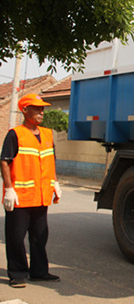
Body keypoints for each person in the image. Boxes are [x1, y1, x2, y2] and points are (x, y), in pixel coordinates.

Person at [1, 93, 62, 288]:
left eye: (42, 108)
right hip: (20, 198)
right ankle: (17, 273)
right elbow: (4, 161)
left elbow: (50, 160)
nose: (41, 112)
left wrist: (55, 183)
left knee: (40, 237)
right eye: (36, 108)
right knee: (16, 237)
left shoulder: (47, 134)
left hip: (41, 196)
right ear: (25, 110)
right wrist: (9, 189)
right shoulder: (15, 134)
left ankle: (39, 272)